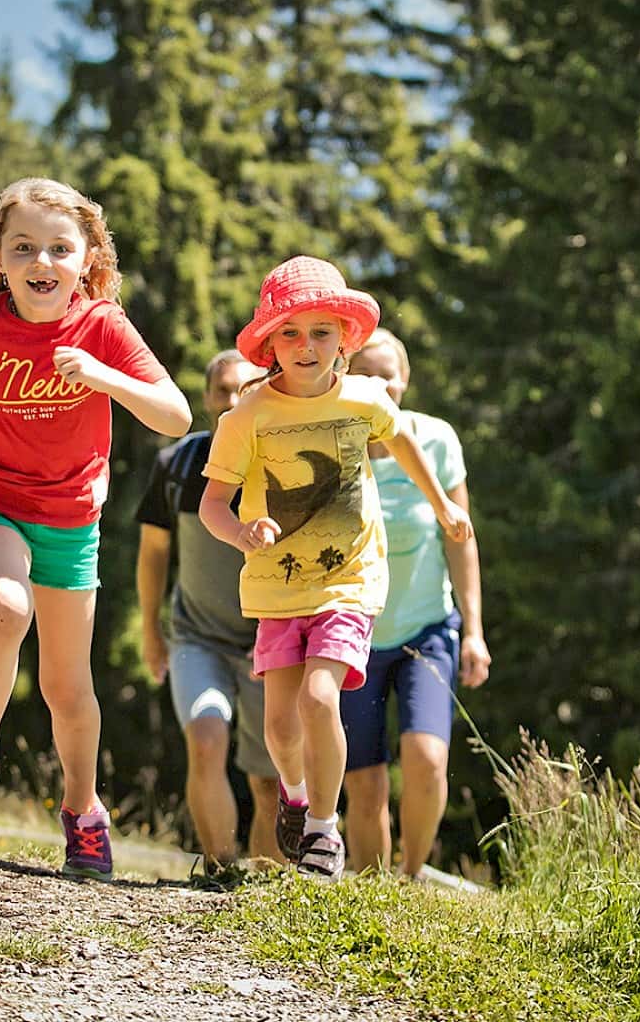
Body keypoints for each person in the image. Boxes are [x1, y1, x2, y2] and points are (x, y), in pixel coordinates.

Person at [0, 177, 191, 883]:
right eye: (23, 248)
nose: (42, 263)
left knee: (67, 686)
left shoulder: (103, 327)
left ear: (87, 258)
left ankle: (83, 815)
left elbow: (174, 415)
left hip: (70, 522)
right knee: (7, 602)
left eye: (60, 248)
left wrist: (101, 376)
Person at [198, 256, 472, 880]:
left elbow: (403, 441)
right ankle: (295, 798)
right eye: (290, 332)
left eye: (321, 332)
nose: (306, 346)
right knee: (278, 727)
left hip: (351, 579)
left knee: (322, 697)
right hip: (276, 583)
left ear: (344, 339)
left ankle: (323, 829)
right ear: (268, 341)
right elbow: (212, 504)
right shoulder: (247, 418)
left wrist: (444, 508)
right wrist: (243, 531)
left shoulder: (364, 397)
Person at [340, 328, 491, 878]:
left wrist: (473, 630)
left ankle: (409, 877)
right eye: (367, 373)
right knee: (365, 780)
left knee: (427, 760)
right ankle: (371, 890)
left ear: (405, 381)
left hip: (427, 628)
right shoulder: (335, 444)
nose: (381, 384)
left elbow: (461, 536)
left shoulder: (437, 440)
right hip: (353, 633)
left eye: (390, 374)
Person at [135, 349, 281, 874]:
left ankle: (268, 890)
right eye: (222, 390)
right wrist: (151, 631)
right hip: (197, 637)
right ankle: (220, 873)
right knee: (205, 735)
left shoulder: (282, 461)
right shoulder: (176, 465)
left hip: (272, 644)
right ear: (206, 399)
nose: (233, 400)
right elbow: (153, 554)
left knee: (270, 781)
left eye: (245, 388)